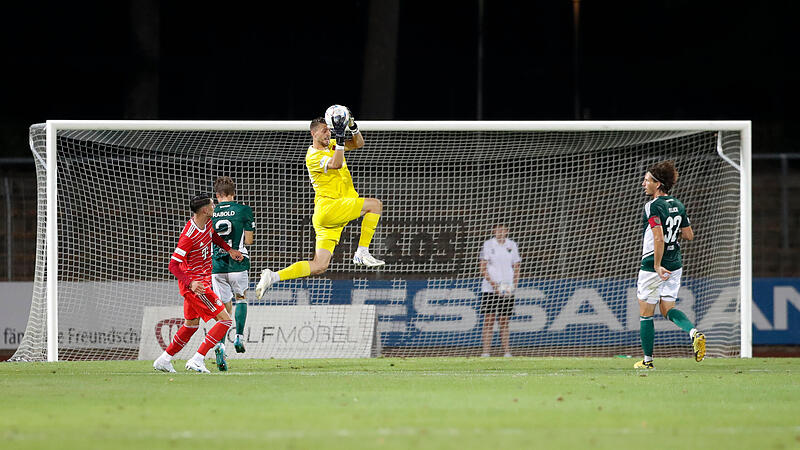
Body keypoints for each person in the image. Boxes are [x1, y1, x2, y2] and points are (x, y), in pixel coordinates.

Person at [255, 106, 384, 298]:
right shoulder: (313, 156)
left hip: (329, 215)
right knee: (375, 205)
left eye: (330, 130)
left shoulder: (333, 144)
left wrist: (352, 125)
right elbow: (336, 164)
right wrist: (339, 139)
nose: (328, 133)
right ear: (313, 133)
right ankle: (362, 252)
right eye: (324, 130)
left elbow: (358, 144)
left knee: (319, 265)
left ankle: (273, 277)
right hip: (330, 207)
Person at [153, 193, 244, 373]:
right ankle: (197, 359)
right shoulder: (189, 235)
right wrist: (191, 283)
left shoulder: (206, 223)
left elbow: (214, 237)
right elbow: (173, 265)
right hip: (196, 286)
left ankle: (164, 360)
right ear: (204, 210)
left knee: (190, 326)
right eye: (211, 204)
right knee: (225, 321)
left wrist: (229, 250)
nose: (214, 206)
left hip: (200, 282)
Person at [634, 160, 705, 369]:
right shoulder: (679, 204)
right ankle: (694, 333)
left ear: (657, 184)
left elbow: (658, 238)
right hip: (676, 262)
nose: (643, 184)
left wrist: (656, 265)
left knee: (646, 312)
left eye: (647, 180)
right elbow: (689, 235)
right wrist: (672, 232)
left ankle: (647, 362)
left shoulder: (652, 206)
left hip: (654, 264)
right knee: (667, 308)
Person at [211, 176, 254, 357]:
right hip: (238, 262)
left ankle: (220, 345)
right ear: (233, 194)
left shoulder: (209, 212)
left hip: (217, 266)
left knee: (224, 307)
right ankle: (238, 337)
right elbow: (249, 241)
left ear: (217, 195)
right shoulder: (243, 209)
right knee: (241, 298)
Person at [479, 224, 520, 357]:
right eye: (497, 230)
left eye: (503, 229)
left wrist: (513, 285)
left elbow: (516, 266)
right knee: (489, 319)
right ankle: (486, 352)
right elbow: (483, 268)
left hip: (507, 287)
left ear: (507, 231)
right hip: (490, 288)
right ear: (494, 231)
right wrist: (494, 285)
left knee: (504, 320)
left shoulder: (512, 245)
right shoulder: (488, 244)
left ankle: (507, 352)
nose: (500, 232)